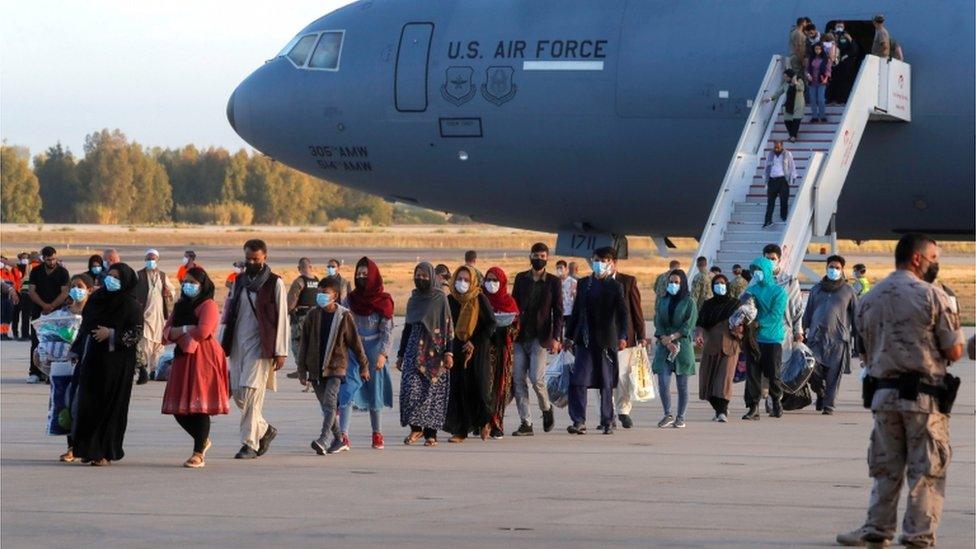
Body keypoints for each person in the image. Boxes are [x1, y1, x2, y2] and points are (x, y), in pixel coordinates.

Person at [837, 233, 964, 548]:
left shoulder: (869, 298)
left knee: (886, 468)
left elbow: (864, 350)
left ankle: (877, 530)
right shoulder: (933, 296)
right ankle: (918, 536)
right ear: (917, 258)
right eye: (933, 258)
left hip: (883, 397)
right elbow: (954, 351)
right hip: (923, 400)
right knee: (926, 471)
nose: (936, 264)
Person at [220, 239, 289, 460]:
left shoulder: (274, 283)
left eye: (255, 259)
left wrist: (280, 350)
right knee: (238, 393)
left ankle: (249, 443)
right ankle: (265, 429)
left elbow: (282, 319)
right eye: (248, 258)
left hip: (261, 346)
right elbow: (228, 313)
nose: (251, 262)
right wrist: (221, 343)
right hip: (238, 343)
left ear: (265, 257)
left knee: (250, 391)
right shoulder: (239, 281)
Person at [68, 263, 143, 466]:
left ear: (126, 280)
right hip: (93, 358)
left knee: (109, 406)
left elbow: (135, 334)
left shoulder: (131, 305)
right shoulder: (97, 299)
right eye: (109, 276)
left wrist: (111, 334)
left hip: (117, 363)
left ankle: (104, 451)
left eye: (117, 277)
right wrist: (76, 348)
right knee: (88, 403)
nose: (111, 280)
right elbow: (85, 326)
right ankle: (86, 449)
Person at [161, 267, 230, 468]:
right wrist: (185, 329)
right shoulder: (181, 305)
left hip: (204, 357)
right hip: (183, 358)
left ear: (203, 285)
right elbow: (166, 332)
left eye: (193, 282)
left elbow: (203, 331)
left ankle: (198, 452)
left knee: (200, 405)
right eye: (185, 282)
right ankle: (203, 440)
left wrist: (179, 333)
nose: (187, 286)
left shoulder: (208, 304)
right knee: (179, 408)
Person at [296, 277, 370, 456]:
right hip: (315, 368)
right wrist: (301, 369)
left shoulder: (344, 316)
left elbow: (355, 343)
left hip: (336, 367)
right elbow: (303, 344)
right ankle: (339, 439)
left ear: (335, 295)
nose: (320, 295)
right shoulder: (312, 315)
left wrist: (364, 366)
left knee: (330, 402)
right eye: (319, 292)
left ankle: (323, 438)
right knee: (327, 406)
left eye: (325, 292)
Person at [564, 247, 629, 435]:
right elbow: (576, 311)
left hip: (606, 341)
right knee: (578, 380)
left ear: (611, 263)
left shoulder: (615, 286)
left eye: (603, 260)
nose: (599, 263)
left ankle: (608, 420)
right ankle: (579, 420)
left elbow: (623, 314)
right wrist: (569, 336)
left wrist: (623, 336)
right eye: (597, 260)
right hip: (584, 339)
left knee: (606, 382)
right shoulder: (584, 283)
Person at [339, 257, 395, 450]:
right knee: (347, 390)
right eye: (358, 274)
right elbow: (343, 323)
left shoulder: (384, 301)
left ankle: (377, 433)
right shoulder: (350, 299)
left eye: (365, 274)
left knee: (374, 391)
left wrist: (382, 354)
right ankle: (343, 434)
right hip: (353, 351)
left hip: (374, 350)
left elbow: (387, 331)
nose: (361, 277)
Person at [396, 262, 454, 447]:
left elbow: (448, 326)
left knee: (432, 393)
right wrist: (400, 354)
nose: (420, 278)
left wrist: (449, 353)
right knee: (410, 390)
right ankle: (416, 428)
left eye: (424, 275)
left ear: (431, 276)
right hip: (414, 348)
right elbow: (407, 327)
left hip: (435, 351)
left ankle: (431, 434)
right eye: (417, 275)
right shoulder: (413, 299)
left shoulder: (440, 298)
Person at [510, 242, 562, 436]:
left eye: (542, 256)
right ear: (530, 256)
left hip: (540, 338)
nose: (538, 259)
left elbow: (558, 312)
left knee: (536, 379)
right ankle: (526, 423)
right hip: (520, 336)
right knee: (518, 380)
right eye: (535, 256)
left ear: (547, 258)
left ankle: (546, 408)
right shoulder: (521, 278)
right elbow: (513, 304)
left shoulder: (553, 282)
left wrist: (556, 337)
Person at [444, 265, 496, 442]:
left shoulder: (479, 298)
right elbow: (445, 325)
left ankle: (485, 422)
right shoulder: (450, 299)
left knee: (480, 389)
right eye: (459, 279)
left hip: (477, 349)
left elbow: (491, 324)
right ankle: (460, 430)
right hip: (456, 349)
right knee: (459, 389)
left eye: (466, 280)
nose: (462, 283)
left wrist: (474, 342)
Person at [802, 255, 858, 415]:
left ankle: (829, 404)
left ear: (842, 270)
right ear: (826, 268)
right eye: (831, 267)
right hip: (816, 338)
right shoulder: (816, 289)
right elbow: (808, 313)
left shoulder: (848, 291)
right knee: (811, 370)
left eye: (837, 268)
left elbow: (856, 317)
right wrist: (800, 332)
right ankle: (820, 392)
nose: (834, 270)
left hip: (838, 340)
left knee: (834, 374)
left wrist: (859, 341)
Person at [741, 256, 788, 420]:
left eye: (759, 270)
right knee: (752, 374)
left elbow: (776, 315)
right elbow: (744, 307)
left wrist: (757, 323)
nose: (756, 273)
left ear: (767, 272)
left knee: (773, 374)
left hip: (772, 339)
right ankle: (753, 407)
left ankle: (776, 400)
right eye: (754, 270)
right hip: (754, 339)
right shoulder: (752, 290)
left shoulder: (779, 292)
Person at [652, 269, 697, 429]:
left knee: (682, 385)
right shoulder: (663, 301)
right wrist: (665, 340)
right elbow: (658, 322)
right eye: (671, 282)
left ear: (682, 283)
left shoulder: (689, 302)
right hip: (664, 346)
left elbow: (689, 324)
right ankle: (667, 413)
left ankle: (680, 416)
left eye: (676, 282)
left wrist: (672, 337)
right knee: (663, 383)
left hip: (682, 346)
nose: (673, 285)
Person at [694, 274, 742, 422]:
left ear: (727, 285)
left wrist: (738, 330)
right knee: (708, 380)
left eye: (722, 283)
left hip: (730, 346)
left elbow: (744, 324)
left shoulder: (735, 304)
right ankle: (718, 409)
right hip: (711, 346)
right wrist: (699, 335)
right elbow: (700, 323)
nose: (719, 286)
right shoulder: (708, 305)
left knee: (724, 379)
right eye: (717, 283)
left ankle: (722, 411)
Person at [482, 266, 519, 439]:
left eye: (495, 280)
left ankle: (497, 423)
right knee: (485, 386)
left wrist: (508, 327)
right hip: (484, 349)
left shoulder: (508, 301)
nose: (491, 284)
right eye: (488, 280)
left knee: (501, 387)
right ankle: (483, 421)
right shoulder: (480, 300)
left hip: (503, 350)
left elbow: (517, 326)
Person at [610, 257, 645, 429]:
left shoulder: (628, 281)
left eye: (607, 261)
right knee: (603, 378)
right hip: (601, 338)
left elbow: (636, 308)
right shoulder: (591, 283)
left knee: (623, 376)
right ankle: (607, 414)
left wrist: (641, 335)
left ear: (614, 262)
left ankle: (623, 410)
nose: (602, 265)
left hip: (625, 338)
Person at [27, 246, 70, 383]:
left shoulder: (62, 272)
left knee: (54, 342)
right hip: (39, 312)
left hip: (57, 313)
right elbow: (32, 291)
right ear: (43, 258)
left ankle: (50, 371)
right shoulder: (36, 271)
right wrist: (43, 305)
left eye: (54, 259)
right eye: (48, 260)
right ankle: (34, 372)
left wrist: (51, 306)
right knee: (36, 341)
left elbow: (64, 292)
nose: (52, 262)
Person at [134, 249, 175, 384]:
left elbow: (172, 291)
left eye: (153, 259)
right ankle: (143, 370)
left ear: (157, 260)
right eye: (148, 259)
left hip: (159, 316)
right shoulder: (139, 275)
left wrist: (169, 293)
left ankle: (153, 370)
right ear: (145, 260)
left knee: (158, 344)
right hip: (145, 315)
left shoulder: (162, 276)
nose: (151, 261)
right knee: (145, 344)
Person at [286, 257, 320, 365]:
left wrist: (288, 311)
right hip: (315, 316)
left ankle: (301, 366)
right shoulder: (317, 280)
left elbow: (291, 300)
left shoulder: (299, 281)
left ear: (298, 268)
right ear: (310, 267)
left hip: (300, 317)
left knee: (297, 341)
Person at [762, 140, 798, 228]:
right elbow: (766, 166)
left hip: (782, 180)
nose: (776, 148)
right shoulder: (770, 154)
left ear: (781, 146)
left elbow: (792, 166)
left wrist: (793, 176)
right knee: (770, 202)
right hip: (772, 180)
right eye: (775, 146)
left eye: (778, 147)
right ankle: (768, 221)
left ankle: (783, 216)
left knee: (784, 200)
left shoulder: (787, 154)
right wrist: (765, 179)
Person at [765, 69, 805, 143]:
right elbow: (779, 91)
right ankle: (792, 135)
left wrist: (795, 83)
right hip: (789, 104)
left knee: (796, 120)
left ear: (790, 76)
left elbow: (802, 88)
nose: (785, 78)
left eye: (786, 77)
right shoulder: (786, 84)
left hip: (798, 105)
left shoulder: (799, 81)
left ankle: (793, 137)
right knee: (787, 121)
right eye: (784, 77)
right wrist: (771, 98)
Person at [829, 22, 860, 104]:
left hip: (844, 64)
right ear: (835, 27)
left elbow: (855, 49)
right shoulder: (830, 35)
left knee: (844, 82)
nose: (840, 27)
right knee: (832, 81)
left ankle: (842, 100)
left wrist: (846, 55)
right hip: (833, 64)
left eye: (841, 26)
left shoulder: (846, 36)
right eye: (838, 26)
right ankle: (831, 99)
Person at [806, 42, 832, 122]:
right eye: (816, 49)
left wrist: (826, 78)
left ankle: (822, 115)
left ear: (822, 50)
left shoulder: (826, 59)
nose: (817, 50)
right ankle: (814, 116)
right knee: (813, 99)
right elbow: (806, 69)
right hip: (812, 81)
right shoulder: (811, 59)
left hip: (821, 81)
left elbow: (828, 70)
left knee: (821, 99)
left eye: (819, 49)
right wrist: (808, 75)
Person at [1, 257, 22, 341]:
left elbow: (17, 278)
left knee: (7, 316)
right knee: (1, 316)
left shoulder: (9, 271)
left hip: (9, 296)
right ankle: (1, 333)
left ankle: (4, 333)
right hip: (2, 296)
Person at [12, 252, 33, 340]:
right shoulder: (16, 268)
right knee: (16, 315)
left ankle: (26, 335)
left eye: (26, 258)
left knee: (26, 315)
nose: (25, 260)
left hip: (25, 294)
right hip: (17, 293)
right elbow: (14, 282)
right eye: (23, 258)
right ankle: (16, 333)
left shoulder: (30, 268)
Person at [556, 260, 577, 333]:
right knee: (559, 331)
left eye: (561, 268)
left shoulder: (573, 282)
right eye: (557, 268)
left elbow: (575, 297)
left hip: (570, 311)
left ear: (566, 269)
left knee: (569, 331)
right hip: (559, 310)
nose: (559, 270)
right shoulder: (556, 282)